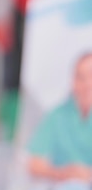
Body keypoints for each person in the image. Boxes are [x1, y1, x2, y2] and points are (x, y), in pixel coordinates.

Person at [27, 52, 92, 183]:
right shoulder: (57, 116)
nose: (87, 84)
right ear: (73, 82)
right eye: (81, 77)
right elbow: (34, 163)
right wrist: (62, 173)